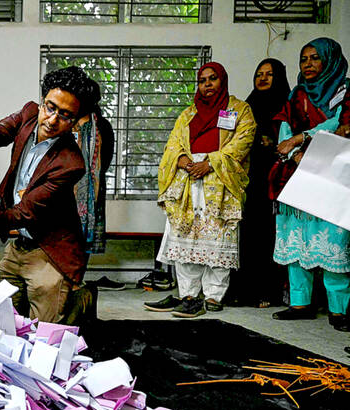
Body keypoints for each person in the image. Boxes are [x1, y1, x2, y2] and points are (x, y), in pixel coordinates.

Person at [0, 66, 97, 324]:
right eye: (50, 107)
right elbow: (2, 129)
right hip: (18, 245)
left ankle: (80, 299)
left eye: (65, 115)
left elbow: (24, 213)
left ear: (75, 120)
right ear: (42, 102)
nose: (52, 120)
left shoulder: (71, 162)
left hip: (50, 251)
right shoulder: (30, 113)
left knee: (44, 334)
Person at [146, 62, 255, 318]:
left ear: (223, 81)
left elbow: (244, 140)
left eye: (212, 79)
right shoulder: (188, 113)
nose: (207, 84)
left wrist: (210, 163)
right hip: (187, 181)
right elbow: (173, 144)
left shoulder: (239, 109)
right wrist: (183, 161)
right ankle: (188, 294)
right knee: (185, 235)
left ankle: (214, 296)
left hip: (220, 180)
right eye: (202, 80)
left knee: (218, 237)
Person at [269, 38, 350, 330]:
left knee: (333, 241)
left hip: (333, 174)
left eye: (315, 58)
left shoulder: (346, 91)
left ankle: (339, 309)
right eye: (304, 59)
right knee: (297, 236)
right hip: (298, 172)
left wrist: (305, 142)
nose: (309, 64)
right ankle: (300, 303)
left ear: (330, 59)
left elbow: (340, 125)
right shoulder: (295, 94)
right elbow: (284, 130)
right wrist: (294, 153)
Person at [229, 58, 290, 308]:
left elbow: (291, 137)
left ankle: (268, 291)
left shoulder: (288, 104)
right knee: (247, 235)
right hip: (248, 179)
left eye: (269, 74)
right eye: (258, 74)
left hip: (277, 179)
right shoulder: (245, 107)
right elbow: (230, 138)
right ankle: (244, 290)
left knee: (271, 234)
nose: (262, 78)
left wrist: (272, 144)